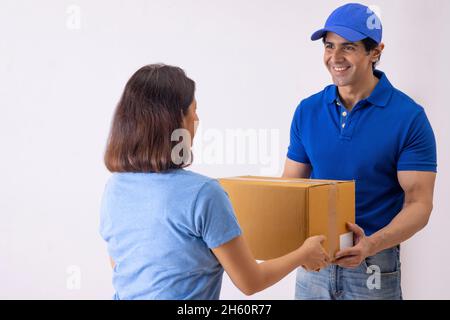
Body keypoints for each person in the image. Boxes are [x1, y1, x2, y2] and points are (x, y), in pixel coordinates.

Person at [100, 64, 330, 300]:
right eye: (193, 110)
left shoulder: (114, 188)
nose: (196, 118)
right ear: (175, 120)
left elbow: (121, 266)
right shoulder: (203, 193)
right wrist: (303, 254)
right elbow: (251, 281)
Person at [282, 3, 437, 300]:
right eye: (329, 46)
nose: (335, 58)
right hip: (314, 262)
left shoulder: (408, 117)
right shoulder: (308, 111)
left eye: (348, 47)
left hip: (373, 264)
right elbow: (291, 186)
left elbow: (419, 204)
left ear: (375, 52)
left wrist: (372, 244)